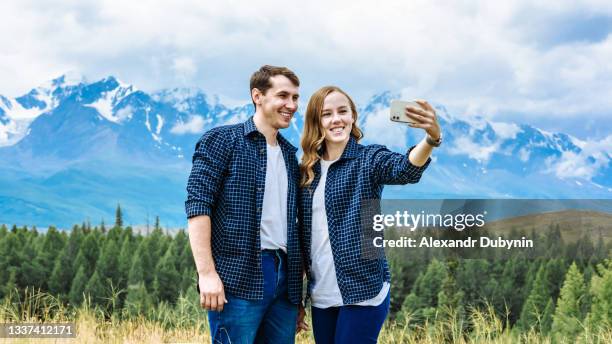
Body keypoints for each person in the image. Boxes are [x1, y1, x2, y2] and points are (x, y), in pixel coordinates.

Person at [299, 86, 440, 343]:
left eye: (343, 111)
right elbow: (301, 237)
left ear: (353, 116)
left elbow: (405, 169)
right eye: (327, 114)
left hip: (364, 289)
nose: (336, 119)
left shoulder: (369, 159)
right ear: (316, 122)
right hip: (322, 294)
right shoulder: (307, 171)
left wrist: (430, 139)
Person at [186, 65, 307, 343]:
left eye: (296, 98)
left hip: (285, 279)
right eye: (283, 96)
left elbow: (294, 226)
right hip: (239, 277)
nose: (291, 105)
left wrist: (295, 293)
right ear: (258, 96)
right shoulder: (221, 141)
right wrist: (206, 274)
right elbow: (198, 206)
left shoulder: (290, 155)